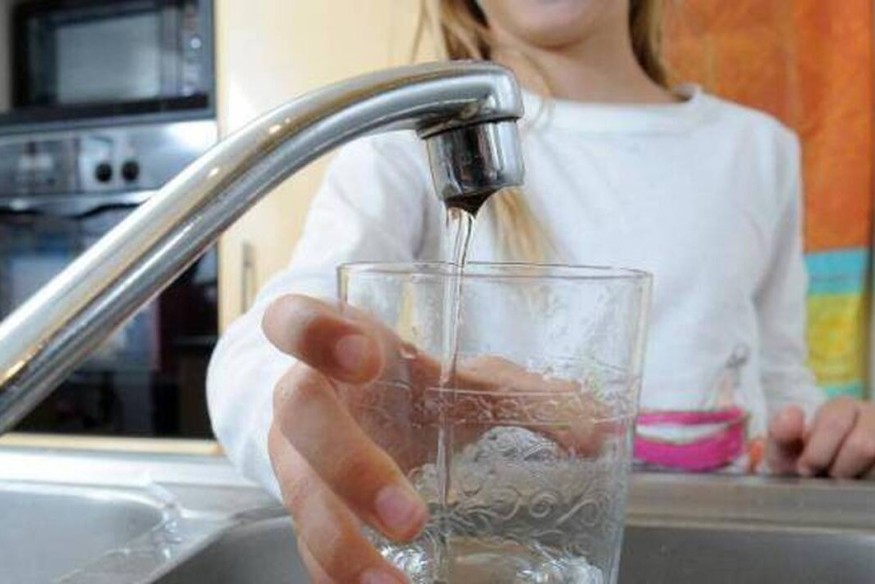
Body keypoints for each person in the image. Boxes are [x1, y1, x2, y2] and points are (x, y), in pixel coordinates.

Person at [207, 0, 875, 581]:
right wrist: (298, 409)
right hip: (484, 546)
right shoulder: (407, 147)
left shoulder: (759, 149)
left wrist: (820, 438)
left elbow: (780, 376)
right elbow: (266, 348)